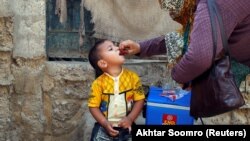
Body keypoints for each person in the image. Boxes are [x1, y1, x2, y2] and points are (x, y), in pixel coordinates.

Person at [119, 0, 250, 85]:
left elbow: (198, 57)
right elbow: (191, 37)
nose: (172, 15)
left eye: (173, 10)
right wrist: (141, 47)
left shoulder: (212, 5)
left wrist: (179, 77)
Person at [88, 39, 145, 141]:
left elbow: (140, 100)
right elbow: (93, 106)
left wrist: (130, 119)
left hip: (127, 124)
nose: (117, 48)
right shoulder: (98, 83)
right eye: (111, 48)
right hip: (104, 125)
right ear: (103, 63)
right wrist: (104, 123)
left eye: (115, 46)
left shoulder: (133, 78)